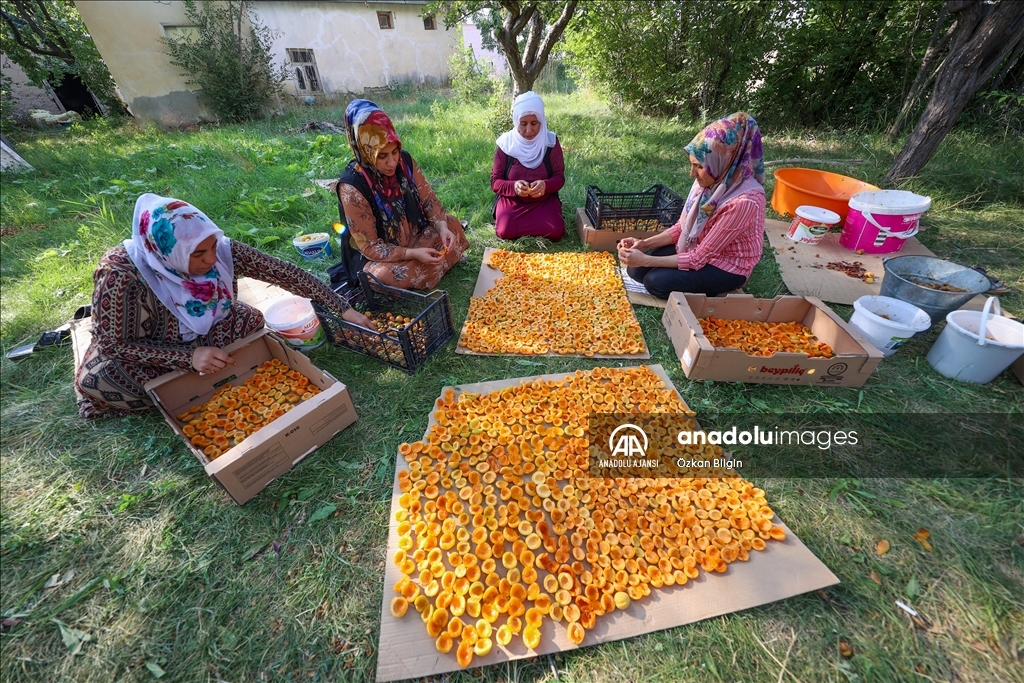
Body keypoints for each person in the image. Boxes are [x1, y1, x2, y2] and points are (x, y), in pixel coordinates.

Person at [74, 193, 371, 419]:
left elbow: (286, 273)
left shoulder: (219, 250)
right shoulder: (119, 273)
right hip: (154, 346)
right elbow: (112, 344)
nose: (211, 259)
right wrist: (187, 357)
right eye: (197, 254)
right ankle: (187, 379)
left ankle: (195, 378)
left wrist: (342, 307)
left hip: (205, 330)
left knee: (250, 321)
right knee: (102, 379)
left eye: (213, 246)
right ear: (166, 251)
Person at [618, 112, 765, 299]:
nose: (692, 174)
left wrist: (647, 259)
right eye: (693, 164)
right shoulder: (709, 181)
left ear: (723, 162)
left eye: (699, 166)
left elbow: (699, 258)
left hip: (726, 265)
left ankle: (715, 289)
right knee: (635, 270)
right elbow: (682, 227)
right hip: (697, 245)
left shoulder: (745, 202)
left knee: (655, 282)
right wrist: (644, 244)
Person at [335, 99, 469, 290]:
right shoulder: (352, 186)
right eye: (382, 156)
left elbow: (429, 201)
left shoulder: (404, 161)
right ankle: (428, 265)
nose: (392, 162)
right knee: (383, 277)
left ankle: (426, 266)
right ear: (365, 150)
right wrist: (411, 254)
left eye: (394, 152)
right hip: (382, 256)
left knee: (452, 224)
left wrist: (442, 228)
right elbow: (370, 246)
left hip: (416, 236)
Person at [491, 91, 565, 241]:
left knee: (556, 231)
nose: (529, 130)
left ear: (541, 121)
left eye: (534, 123)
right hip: (513, 200)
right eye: (523, 124)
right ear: (516, 121)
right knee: (504, 231)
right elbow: (495, 182)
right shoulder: (506, 144)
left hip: (543, 201)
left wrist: (545, 186)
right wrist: (514, 187)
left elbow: (559, 177)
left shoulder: (550, 142)